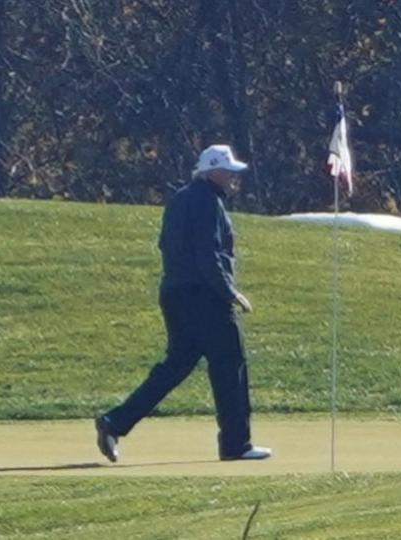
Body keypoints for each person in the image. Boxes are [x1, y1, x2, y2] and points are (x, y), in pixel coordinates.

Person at [95, 144, 271, 462]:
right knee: (230, 365)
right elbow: (208, 254)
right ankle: (236, 444)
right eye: (229, 172)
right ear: (212, 171)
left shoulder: (180, 199)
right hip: (205, 296)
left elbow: (169, 246)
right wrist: (229, 292)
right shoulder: (207, 201)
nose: (234, 178)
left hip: (176, 295)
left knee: (174, 367)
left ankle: (115, 422)